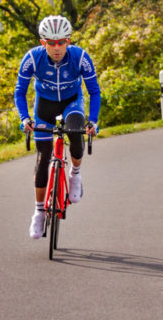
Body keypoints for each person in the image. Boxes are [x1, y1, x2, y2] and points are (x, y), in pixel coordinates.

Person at [14, 15, 102, 239]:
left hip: (72, 102)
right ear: (43, 43)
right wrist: (24, 118)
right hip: (44, 105)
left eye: (61, 42)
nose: (56, 48)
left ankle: (75, 174)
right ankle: (39, 211)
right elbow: (20, 92)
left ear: (68, 41)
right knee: (43, 159)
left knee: (75, 134)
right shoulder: (32, 58)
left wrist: (93, 121)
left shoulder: (80, 57)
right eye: (51, 43)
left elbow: (94, 91)